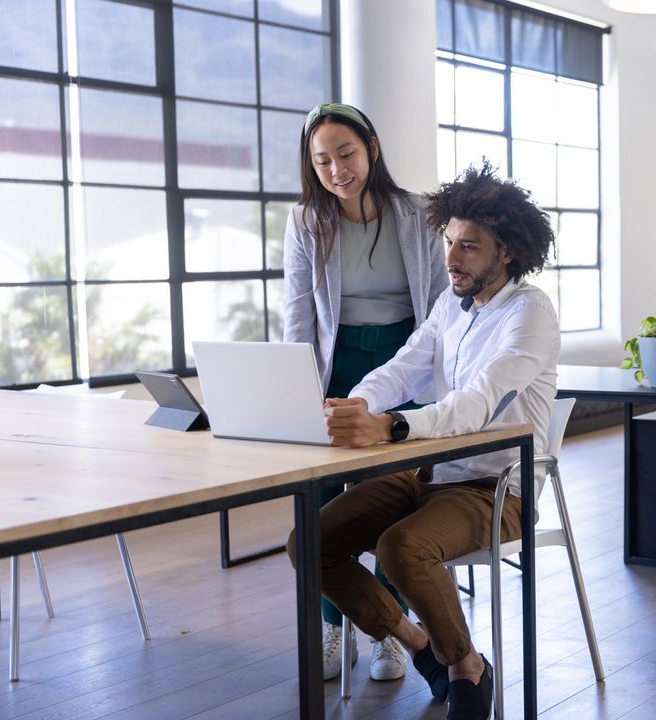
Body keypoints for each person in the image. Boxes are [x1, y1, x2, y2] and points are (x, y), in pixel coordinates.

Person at [285, 160, 559, 720]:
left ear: (506, 251)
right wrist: (355, 405)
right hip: (430, 475)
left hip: (496, 490)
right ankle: (422, 649)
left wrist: (394, 425)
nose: (451, 259)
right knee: (310, 542)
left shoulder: (530, 313)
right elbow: (402, 367)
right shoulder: (448, 308)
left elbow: (478, 403)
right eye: (449, 242)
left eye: (469, 247)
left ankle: (466, 668)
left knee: (400, 548)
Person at [282, 102, 448, 682]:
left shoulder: (418, 214)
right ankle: (333, 628)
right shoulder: (307, 220)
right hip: (337, 363)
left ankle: (390, 633)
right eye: (322, 160)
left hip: (405, 359)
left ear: (372, 148)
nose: (336, 170)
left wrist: (437, 383)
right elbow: (298, 312)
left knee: (388, 495)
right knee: (326, 502)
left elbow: (440, 307)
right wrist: (297, 389)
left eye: (346, 154)